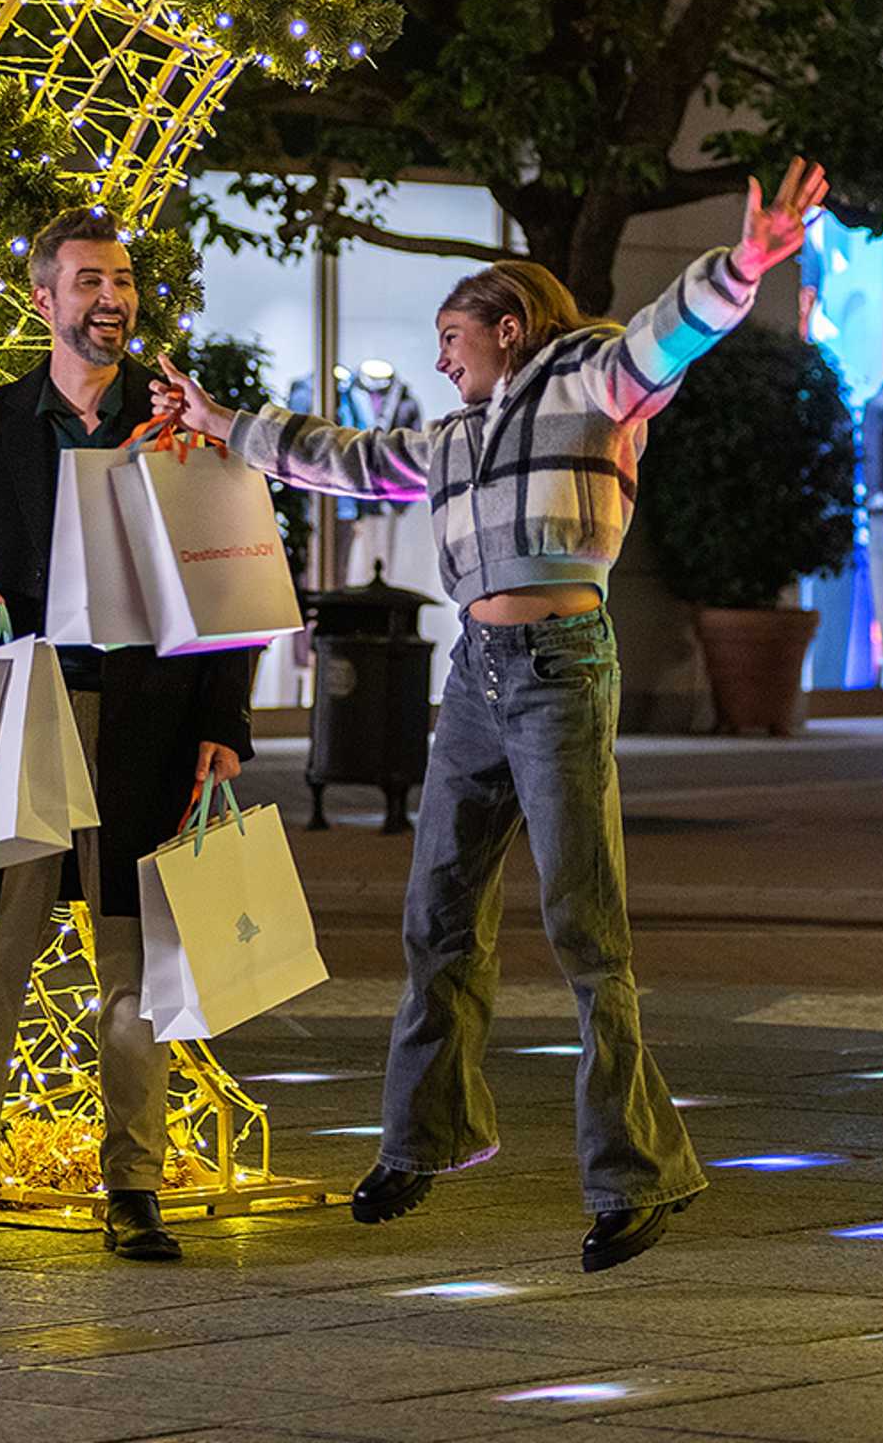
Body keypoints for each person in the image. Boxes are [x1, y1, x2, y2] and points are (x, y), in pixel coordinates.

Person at [154, 159, 828, 1273]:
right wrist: (224, 423)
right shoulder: (456, 438)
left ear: (509, 328)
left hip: (562, 664)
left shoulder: (590, 382)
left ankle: (638, 1177)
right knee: (437, 916)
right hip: (477, 674)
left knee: (585, 928)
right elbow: (349, 461)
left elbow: (666, 337)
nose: (438, 358)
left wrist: (745, 264)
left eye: (450, 337)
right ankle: (423, 1141)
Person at [0, 206, 255, 1263]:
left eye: (123, 280)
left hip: (147, 721)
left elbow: (226, 585)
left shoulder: (181, 423)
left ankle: (134, 1189)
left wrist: (225, 723)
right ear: (44, 297)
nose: (112, 298)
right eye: (90, 280)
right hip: (23, 714)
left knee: (135, 961)